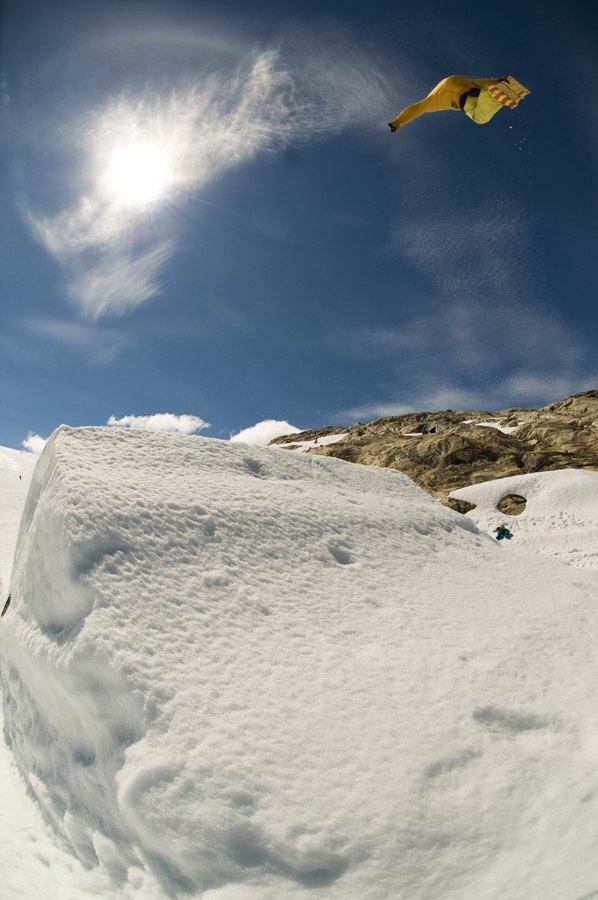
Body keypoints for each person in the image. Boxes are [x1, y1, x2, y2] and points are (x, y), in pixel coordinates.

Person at [388, 75, 508, 132]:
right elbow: (481, 82)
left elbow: (416, 108)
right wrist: (497, 81)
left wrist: (398, 122)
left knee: (479, 118)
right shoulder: (467, 81)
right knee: (482, 101)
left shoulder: (432, 100)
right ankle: (490, 94)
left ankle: (490, 96)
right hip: (464, 83)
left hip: (462, 95)